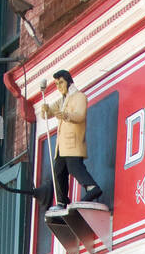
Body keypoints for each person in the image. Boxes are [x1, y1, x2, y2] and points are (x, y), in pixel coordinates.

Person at [41, 68, 103, 212]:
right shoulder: (62, 100)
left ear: (68, 81)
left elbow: (80, 115)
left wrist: (65, 115)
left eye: (61, 83)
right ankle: (62, 201)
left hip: (73, 142)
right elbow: (49, 112)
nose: (59, 87)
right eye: (56, 84)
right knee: (58, 171)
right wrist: (45, 109)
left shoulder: (79, 97)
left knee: (75, 168)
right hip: (62, 146)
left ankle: (92, 188)